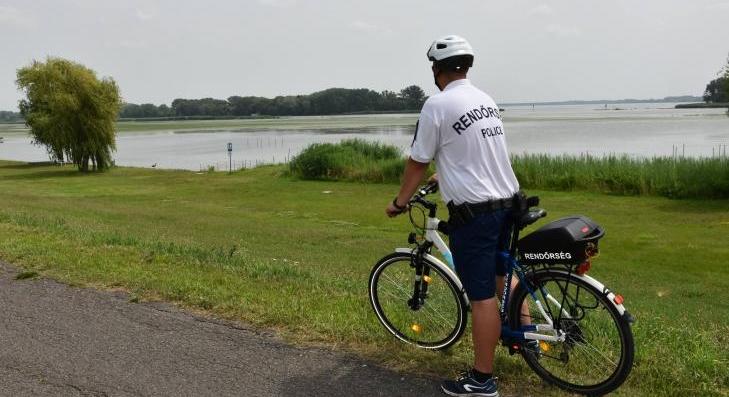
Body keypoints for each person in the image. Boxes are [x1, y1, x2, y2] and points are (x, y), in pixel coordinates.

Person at [385, 35, 520, 397]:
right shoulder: (484, 99)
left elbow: (417, 160)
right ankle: (524, 338)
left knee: (481, 297)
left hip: (476, 215)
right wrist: (445, 173)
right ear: (466, 67)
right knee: (500, 274)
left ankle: (482, 380)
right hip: (507, 202)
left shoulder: (438, 105)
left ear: (436, 69)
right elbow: (477, 151)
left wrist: (400, 202)